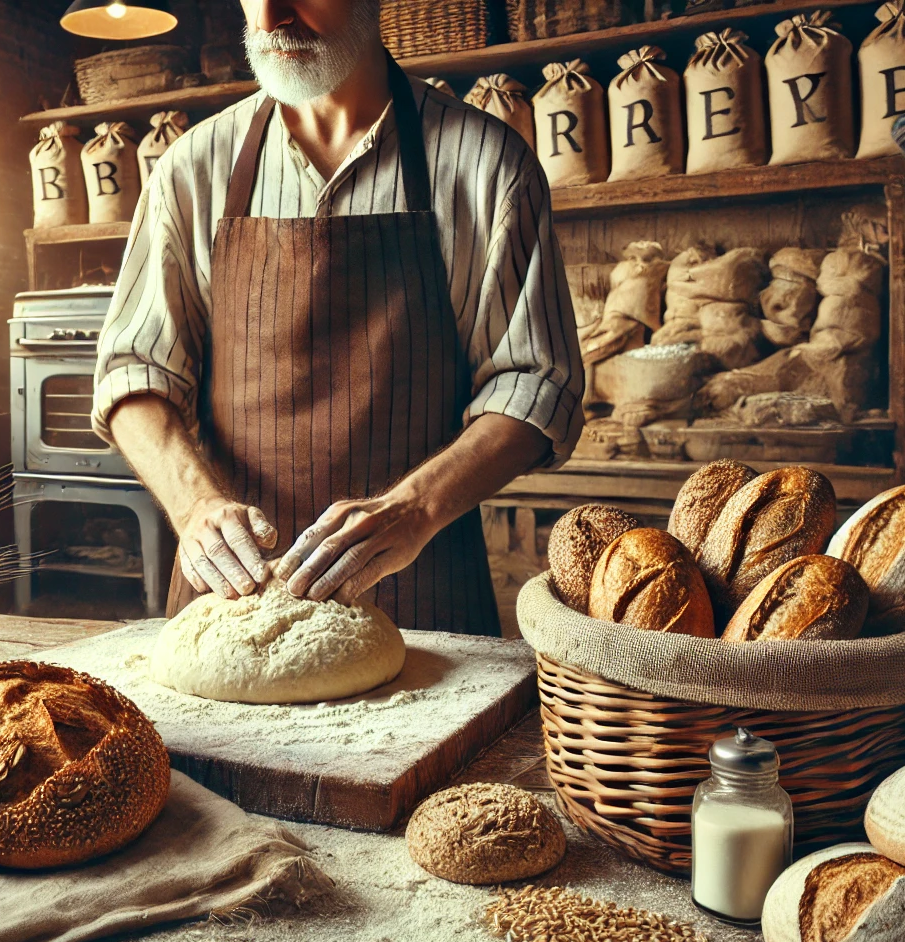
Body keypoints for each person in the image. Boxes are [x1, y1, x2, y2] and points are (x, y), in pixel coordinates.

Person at [91, 0, 582, 635]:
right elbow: (135, 372)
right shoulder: (192, 167)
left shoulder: (485, 164)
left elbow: (535, 386)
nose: (270, 18)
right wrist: (195, 507)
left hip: (422, 600)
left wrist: (417, 509)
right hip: (230, 604)